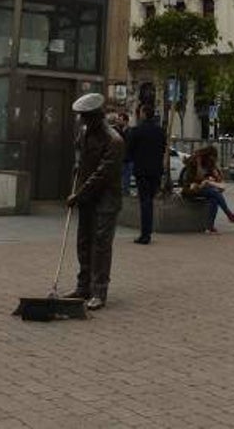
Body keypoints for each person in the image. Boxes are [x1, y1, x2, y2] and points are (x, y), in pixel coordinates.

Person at [66, 93, 124, 310]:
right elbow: (80, 157)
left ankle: (99, 291)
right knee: (83, 242)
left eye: (85, 117)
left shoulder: (114, 141)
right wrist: (77, 166)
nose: (81, 121)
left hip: (106, 199)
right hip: (87, 197)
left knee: (100, 245)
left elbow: (102, 174)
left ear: (96, 116)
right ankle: (83, 286)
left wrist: (78, 195)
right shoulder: (84, 133)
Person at [125, 103, 166, 244]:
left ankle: (145, 234)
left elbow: (128, 151)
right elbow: (163, 149)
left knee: (145, 202)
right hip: (156, 171)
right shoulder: (160, 131)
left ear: (143, 114)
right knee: (150, 201)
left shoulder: (137, 131)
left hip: (142, 171)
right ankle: (147, 232)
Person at [181, 144, 234, 233]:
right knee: (215, 193)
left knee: (214, 199)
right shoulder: (194, 162)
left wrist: (215, 175)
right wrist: (199, 165)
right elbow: (193, 179)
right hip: (192, 188)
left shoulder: (210, 164)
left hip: (205, 188)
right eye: (211, 158)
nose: (212, 160)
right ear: (206, 156)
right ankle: (228, 213)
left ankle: (210, 226)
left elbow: (218, 179)